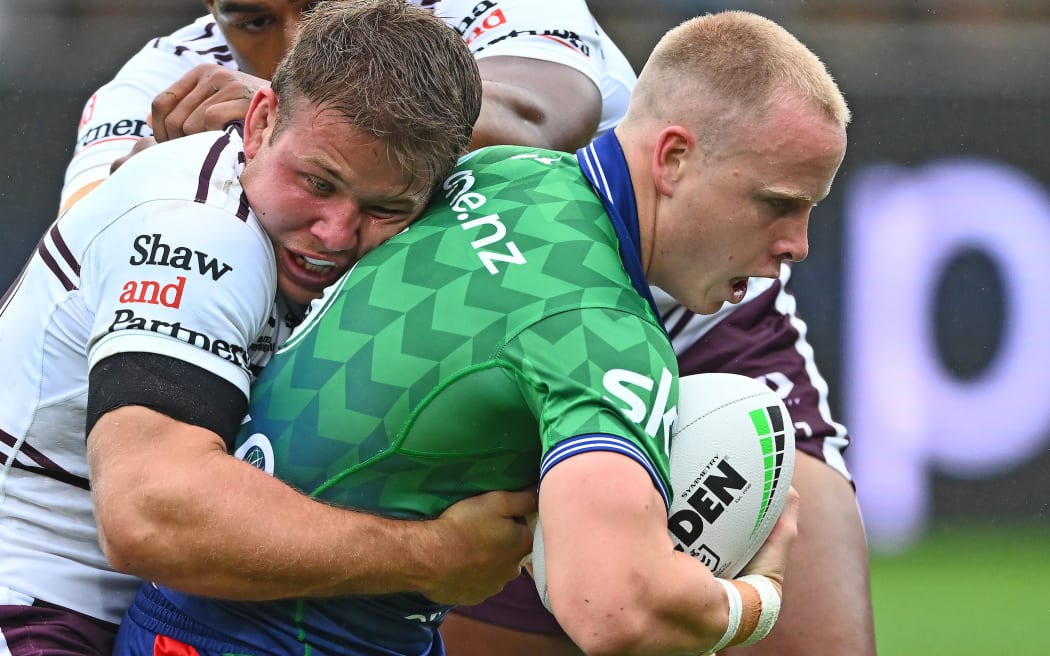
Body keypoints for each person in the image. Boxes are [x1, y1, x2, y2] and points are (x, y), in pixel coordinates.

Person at [68, 1, 876, 654]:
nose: (796, 247)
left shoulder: (497, 170)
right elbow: (614, 610)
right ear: (669, 159)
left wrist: (321, 126)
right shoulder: (598, 334)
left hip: (187, 619)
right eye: (778, 205)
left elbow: (530, 117)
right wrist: (758, 598)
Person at [0, 3, 536, 655]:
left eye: (384, 207)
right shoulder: (198, 231)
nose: (335, 233)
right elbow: (147, 516)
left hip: (148, 606)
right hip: (34, 607)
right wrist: (432, 555)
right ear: (259, 123)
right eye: (316, 181)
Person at [59, 0, 634, 215]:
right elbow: (77, 241)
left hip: (684, 337)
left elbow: (531, 125)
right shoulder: (166, 71)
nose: (295, 48)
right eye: (254, 22)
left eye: (323, 6)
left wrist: (295, 114)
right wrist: (147, 167)